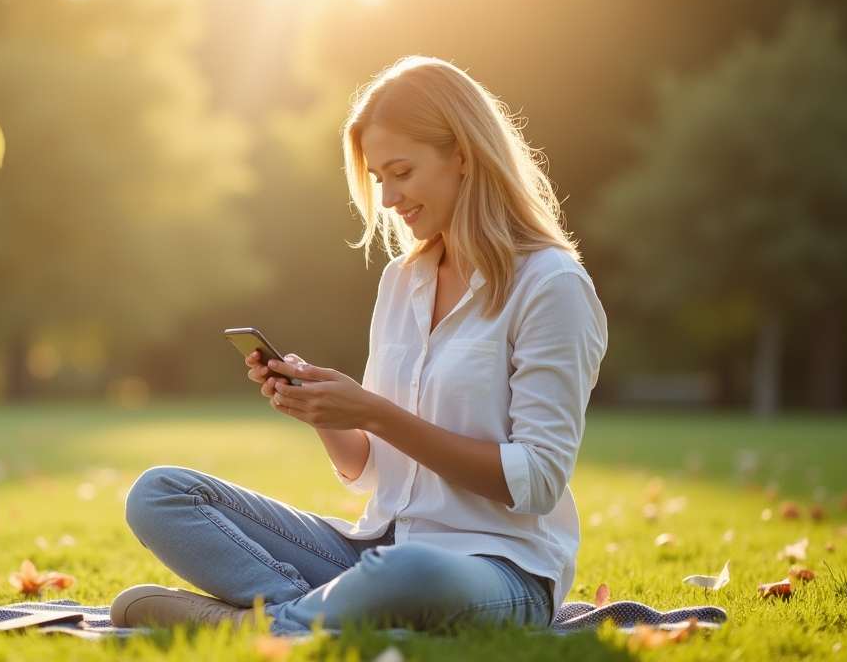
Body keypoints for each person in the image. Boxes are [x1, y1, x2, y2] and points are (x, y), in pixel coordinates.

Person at [109, 56, 608, 634]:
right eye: (378, 179)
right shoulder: (403, 280)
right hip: (376, 547)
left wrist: (375, 412)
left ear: (464, 156)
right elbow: (372, 470)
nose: (389, 198)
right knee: (159, 494)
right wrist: (323, 410)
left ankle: (262, 625)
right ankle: (316, 615)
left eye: (402, 172)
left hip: (500, 570)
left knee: (408, 571)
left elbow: (538, 479)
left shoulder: (551, 286)